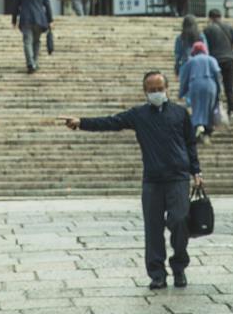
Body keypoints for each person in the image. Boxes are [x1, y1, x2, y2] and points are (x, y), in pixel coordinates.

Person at [63, 71, 203, 289]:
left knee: (179, 221)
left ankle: (179, 267)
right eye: (152, 90)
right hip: (153, 180)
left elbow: (190, 143)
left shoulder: (180, 113)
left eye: (160, 89)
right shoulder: (139, 115)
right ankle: (157, 274)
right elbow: (111, 122)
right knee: (153, 228)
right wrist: (81, 122)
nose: (156, 93)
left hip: (178, 177)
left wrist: (196, 171)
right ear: (145, 91)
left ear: (167, 89)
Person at [202, 8, 233, 118]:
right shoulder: (229, 27)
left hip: (215, 61)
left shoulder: (207, 30)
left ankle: (216, 112)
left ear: (210, 18)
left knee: (215, 87)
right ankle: (232, 111)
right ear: (221, 16)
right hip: (229, 61)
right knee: (229, 88)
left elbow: (204, 48)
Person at [179, 40, 221, 141]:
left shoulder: (191, 61)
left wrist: (182, 92)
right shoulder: (211, 60)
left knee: (197, 108)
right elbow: (217, 74)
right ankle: (207, 130)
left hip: (195, 85)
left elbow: (184, 78)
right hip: (210, 85)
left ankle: (197, 127)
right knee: (209, 108)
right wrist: (219, 90)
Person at [13, 0, 52, 73]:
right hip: (39, 19)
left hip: (26, 19)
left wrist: (14, 20)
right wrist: (50, 19)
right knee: (36, 41)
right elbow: (47, 5)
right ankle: (34, 61)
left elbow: (16, 5)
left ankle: (30, 63)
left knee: (27, 41)